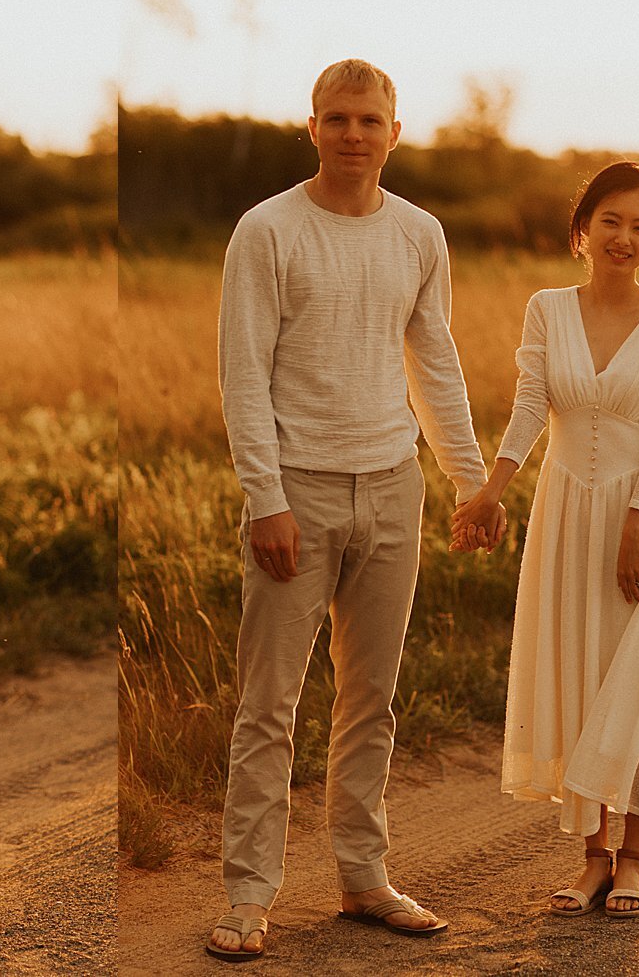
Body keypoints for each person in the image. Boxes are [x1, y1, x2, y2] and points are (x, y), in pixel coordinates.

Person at [207, 59, 504, 962]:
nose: (352, 134)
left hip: (391, 483)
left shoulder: (420, 233)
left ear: (394, 133)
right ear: (312, 128)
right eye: (335, 118)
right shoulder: (267, 230)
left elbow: (434, 359)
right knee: (269, 703)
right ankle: (248, 897)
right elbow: (243, 375)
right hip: (295, 491)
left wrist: (468, 476)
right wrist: (266, 497)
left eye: (369, 120)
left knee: (370, 698)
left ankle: (363, 877)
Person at [454, 161, 639, 919]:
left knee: (636, 683)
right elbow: (530, 403)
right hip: (564, 515)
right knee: (578, 674)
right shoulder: (547, 308)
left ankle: (636, 857)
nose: (623, 237)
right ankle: (593, 857)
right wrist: (490, 490)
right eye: (610, 221)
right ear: (582, 230)